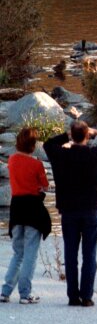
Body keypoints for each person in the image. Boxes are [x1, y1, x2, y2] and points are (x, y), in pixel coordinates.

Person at [44, 121, 97, 307]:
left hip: (69, 210)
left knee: (70, 255)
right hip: (92, 210)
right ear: (87, 136)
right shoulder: (96, 154)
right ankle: (87, 296)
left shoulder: (61, 155)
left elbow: (47, 145)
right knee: (90, 255)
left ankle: (72, 296)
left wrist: (66, 136)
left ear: (72, 135)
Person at [1, 127, 51, 304]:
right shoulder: (37, 164)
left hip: (17, 208)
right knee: (30, 253)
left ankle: (5, 291)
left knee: (18, 253)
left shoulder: (12, 160)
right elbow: (45, 186)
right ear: (33, 145)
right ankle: (25, 293)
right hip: (33, 209)